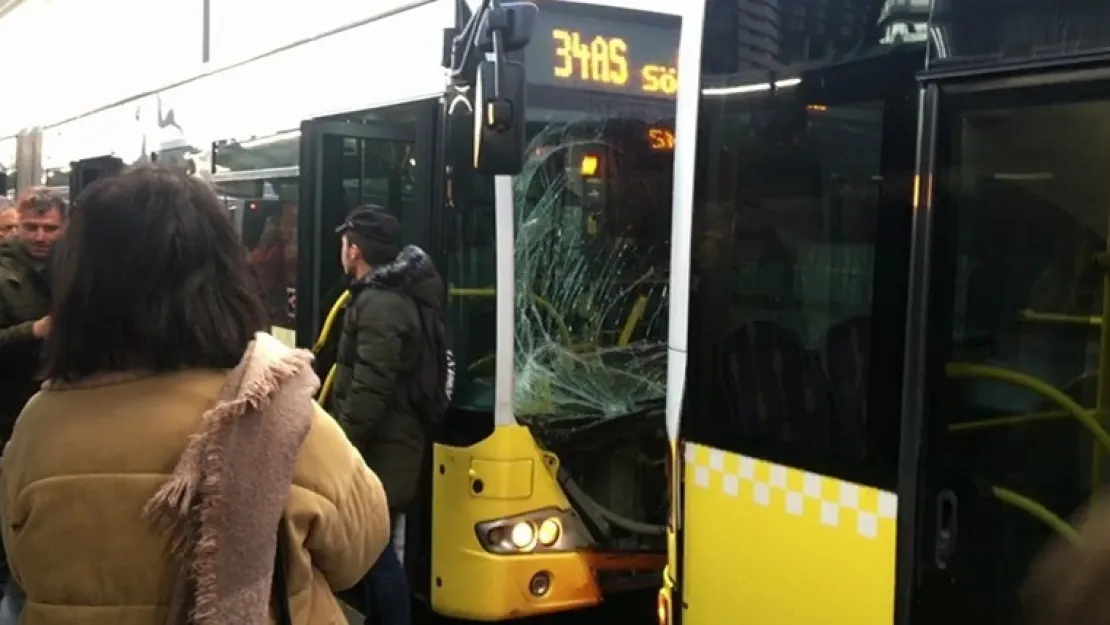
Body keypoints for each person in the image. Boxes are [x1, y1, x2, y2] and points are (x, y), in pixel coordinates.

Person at [0, 165, 391, 625]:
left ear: (82, 283)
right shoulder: (278, 414)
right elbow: (359, 553)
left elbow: (24, 566)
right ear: (225, 274)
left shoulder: (38, 425)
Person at [332, 206, 447, 625]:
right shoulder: (388, 296)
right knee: (378, 549)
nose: (341, 251)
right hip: (390, 443)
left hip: (384, 447)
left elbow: (369, 387)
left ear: (355, 250)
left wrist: (340, 444)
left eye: (344, 243)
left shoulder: (381, 304)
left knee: (379, 554)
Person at [0, 188, 63, 435]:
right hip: (10, 407)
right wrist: (34, 330)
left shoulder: (75, 269)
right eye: (30, 227)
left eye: (50, 229)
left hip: (59, 400)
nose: (40, 237)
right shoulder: (4, 273)